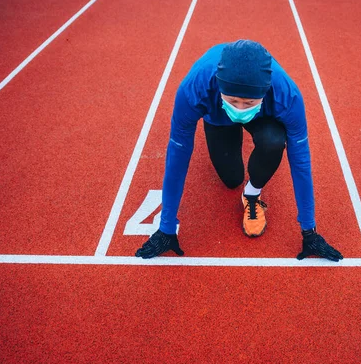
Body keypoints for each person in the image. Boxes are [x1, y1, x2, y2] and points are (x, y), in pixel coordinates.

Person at [135, 40, 343, 262]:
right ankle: (226, 120)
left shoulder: (287, 96)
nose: (239, 109)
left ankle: (252, 194)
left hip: (263, 116)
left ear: (264, 92)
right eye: (233, 101)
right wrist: (167, 228)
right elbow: (178, 155)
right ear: (219, 87)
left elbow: (300, 162)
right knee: (232, 179)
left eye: (248, 102)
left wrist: (309, 232)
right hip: (217, 114)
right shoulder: (194, 89)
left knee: (273, 141)